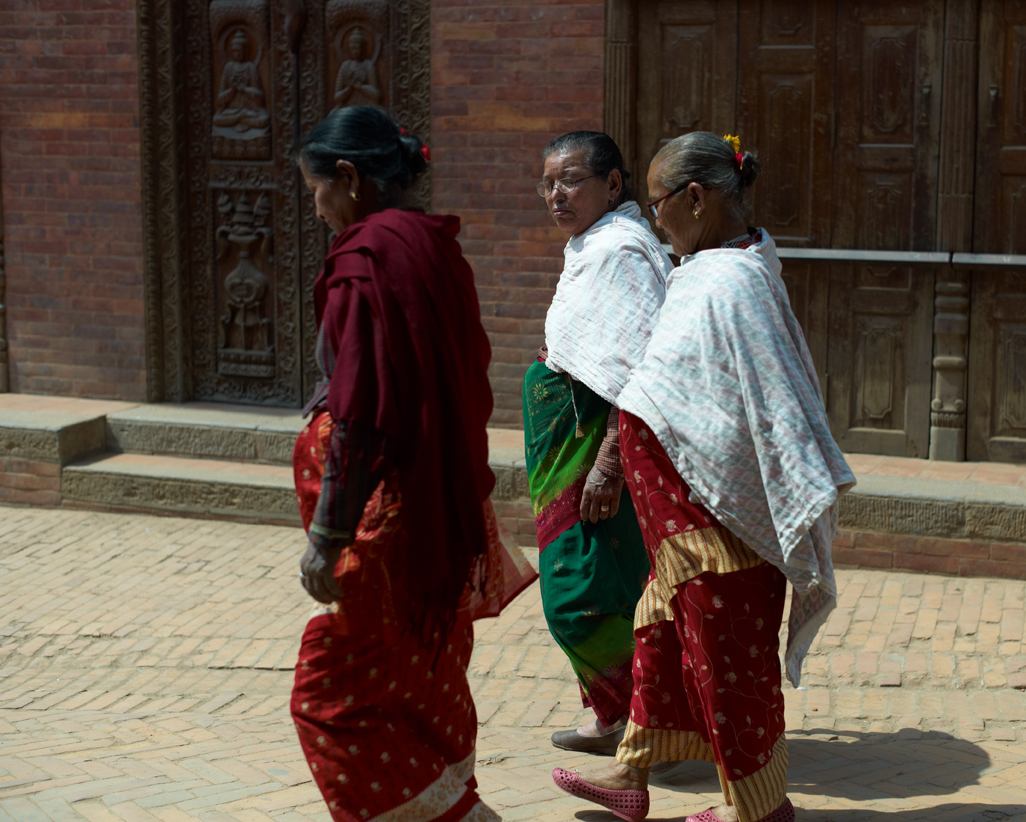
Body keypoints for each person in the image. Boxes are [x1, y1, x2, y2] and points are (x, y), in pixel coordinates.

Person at [551, 131, 855, 822]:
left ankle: (759, 810)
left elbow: (761, 409)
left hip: (722, 526)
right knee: (657, 640)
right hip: (682, 530)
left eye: (658, 205)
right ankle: (631, 776)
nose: (654, 221)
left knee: (728, 669)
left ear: (696, 197)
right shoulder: (706, 268)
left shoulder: (733, 283)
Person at [289, 106, 536, 822]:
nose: (318, 210)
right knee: (416, 679)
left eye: (317, 192)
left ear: (349, 177)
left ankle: (456, 816)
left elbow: (362, 412)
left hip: (387, 521)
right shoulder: (430, 246)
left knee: (331, 697)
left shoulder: (366, 258)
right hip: (431, 512)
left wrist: (329, 536)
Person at [523, 131, 672, 754]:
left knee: (578, 596)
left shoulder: (622, 252)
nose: (556, 194)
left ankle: (650, 722)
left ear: (614, 184)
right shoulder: (594, 244)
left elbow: (636, 365)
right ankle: (616, 719)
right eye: (548, 183)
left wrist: (610, 460)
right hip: (568, 453)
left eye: (571, 180)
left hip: (595, 458)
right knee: (608, 588)